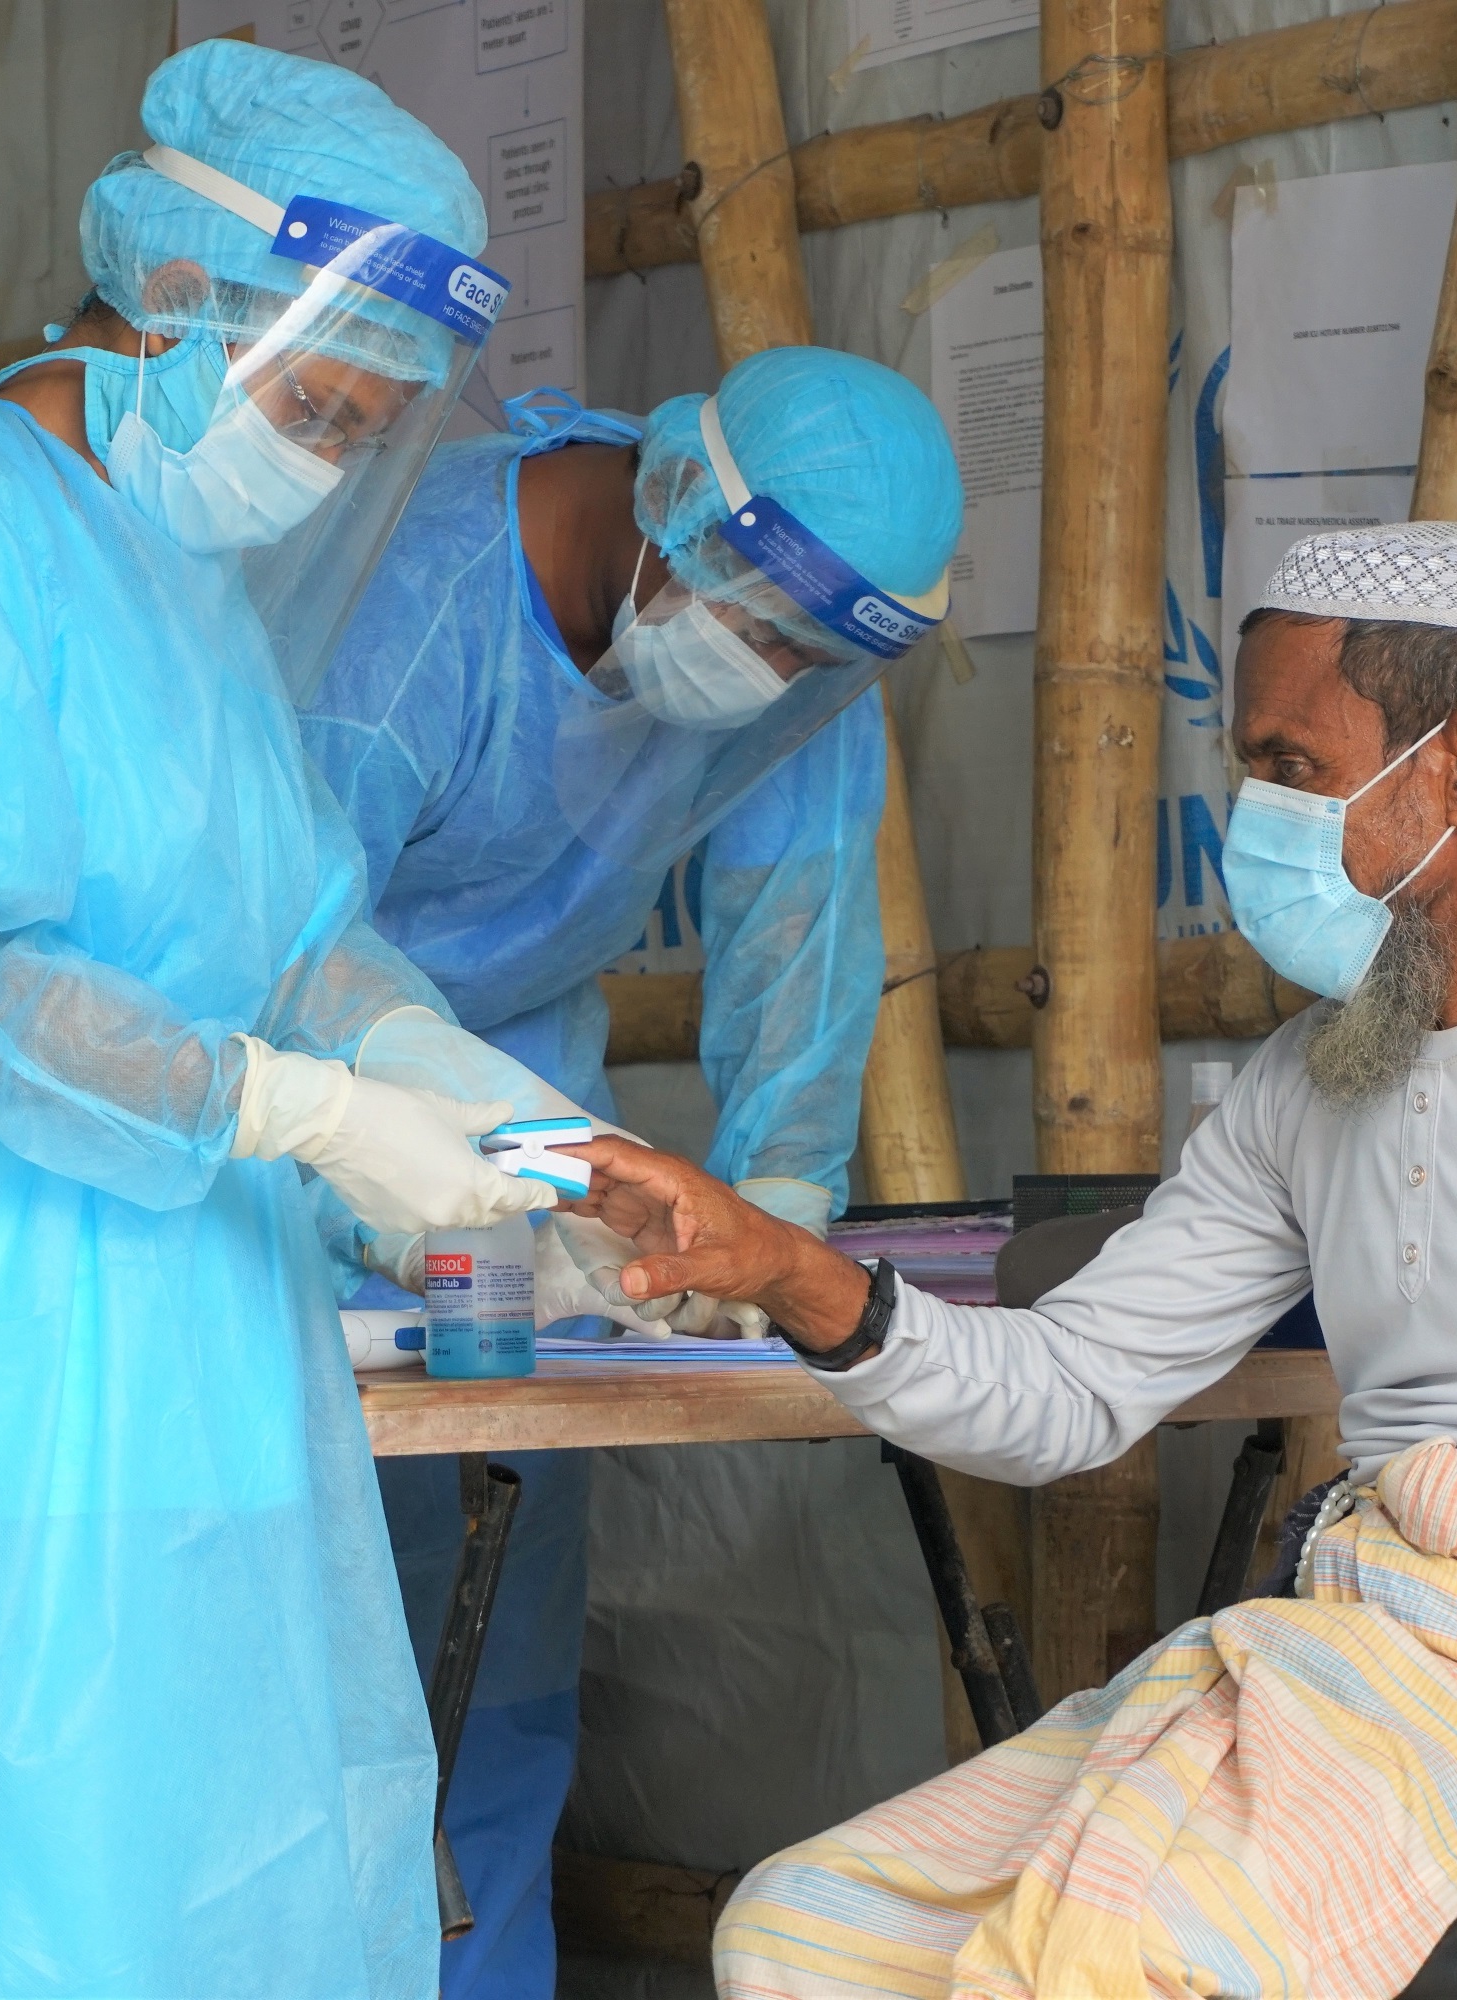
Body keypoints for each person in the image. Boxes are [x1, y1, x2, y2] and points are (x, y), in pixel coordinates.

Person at [565, 524, 1457, 2000]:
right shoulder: (1315, 1078)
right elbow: (1067, 1386)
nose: (1250, 814)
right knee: (805, 1927)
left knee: (1098, 1965)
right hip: (1353, 1656)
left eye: (1290, 765)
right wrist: (783, 1268)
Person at [0, 39, 585, 1997]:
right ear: (179, 292)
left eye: (367, 429)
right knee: (13, 1895)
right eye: (317, 402)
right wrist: (298, 1111)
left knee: (240, 1873)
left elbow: (293, 942)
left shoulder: (187, 587)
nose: (326, 459)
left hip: (213, 1334)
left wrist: (471, 1099)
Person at [258, 348, 962, 1997]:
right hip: (298, 1110)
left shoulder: (800, 659)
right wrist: (464, 1136)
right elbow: (280, 937)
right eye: (766, 632)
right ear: (675, 502)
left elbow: (805, 934)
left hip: (534, 1108)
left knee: (492, 1662)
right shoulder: (412, 600)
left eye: (811, 655)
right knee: (286, 1684)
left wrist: (778, 1214)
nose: (776, 675)